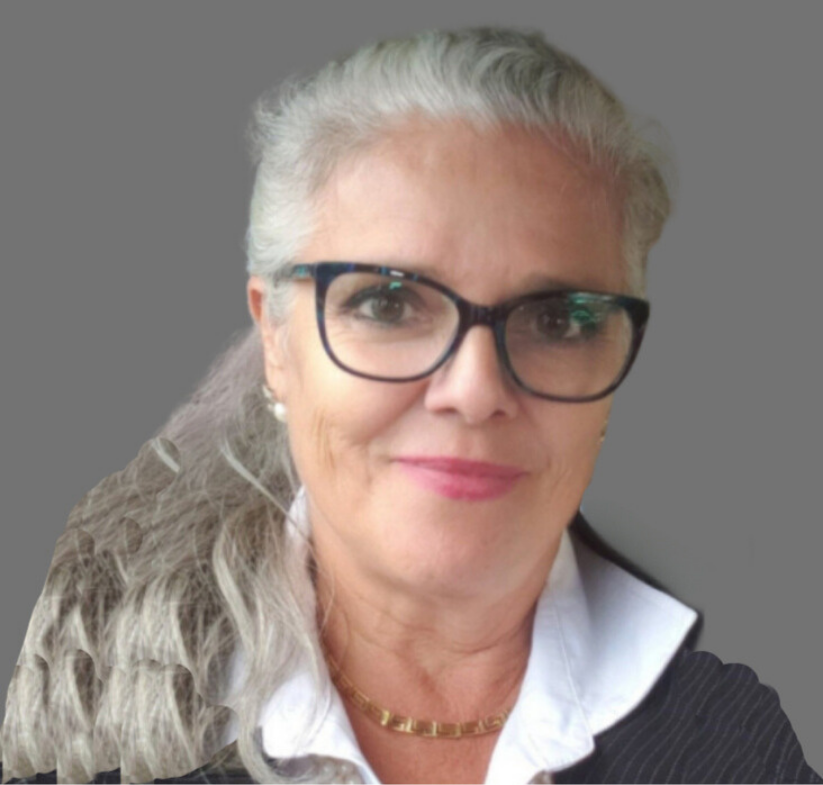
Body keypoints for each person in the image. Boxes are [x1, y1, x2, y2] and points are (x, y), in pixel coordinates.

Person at [1, 26, 819, 785]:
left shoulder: (739, 747)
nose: (473, 390)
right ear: (277, 343)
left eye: (556, 319)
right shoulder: (84, 730)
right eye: (387, 305)